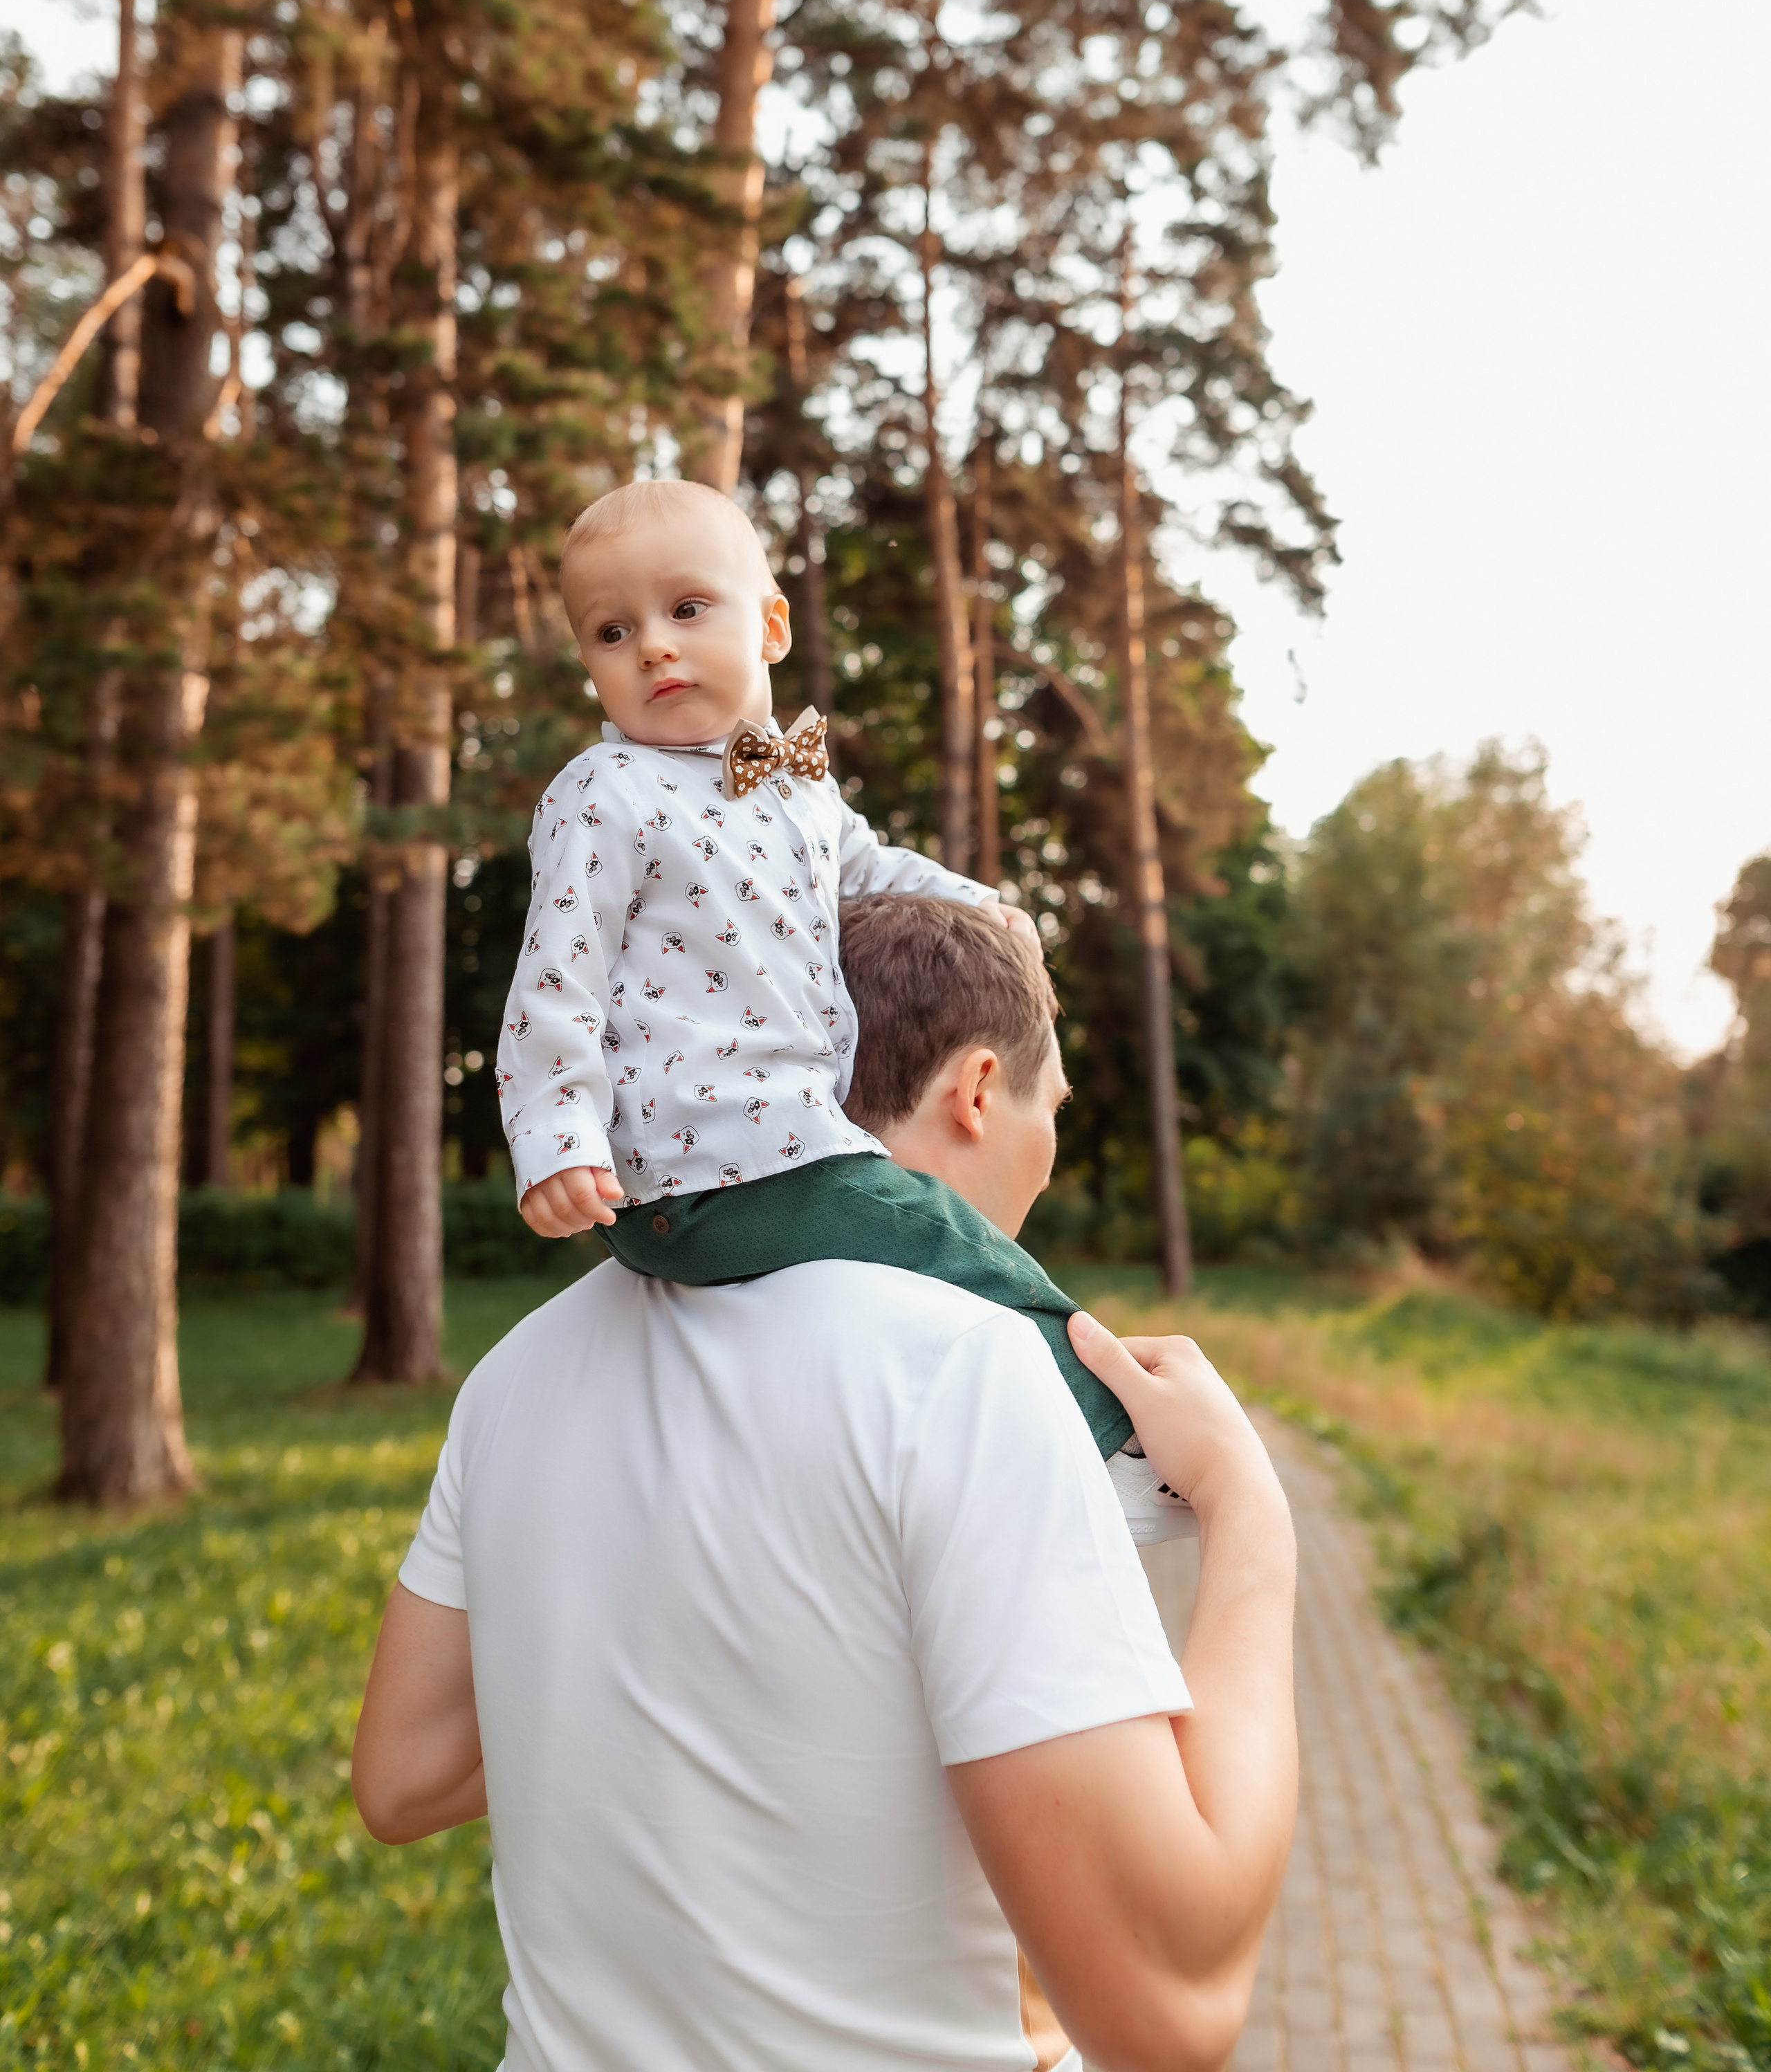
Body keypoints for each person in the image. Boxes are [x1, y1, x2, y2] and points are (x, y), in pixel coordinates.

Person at [356, 895, 1298, 2072]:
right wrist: (1251, 1514)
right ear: (976, 1089)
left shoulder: (512, 1375)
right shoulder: (966, 1369)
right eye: (1048, 1113)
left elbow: (406, 1774)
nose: (1046, 1165)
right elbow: (1175, 2005)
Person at [495, 476, 1168, 1495]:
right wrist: (556, 1137)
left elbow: (872, 866)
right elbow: (558, 976)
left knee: (895, 1291)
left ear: (770, 626)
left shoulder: (794, 789)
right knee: (951, 1248)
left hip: (783, 1138)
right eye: (611, 631)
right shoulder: (605, 793)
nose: (654, 648)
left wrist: (990, 906)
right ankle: (1117, 1457)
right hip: (713, 1159)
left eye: (685, 610)